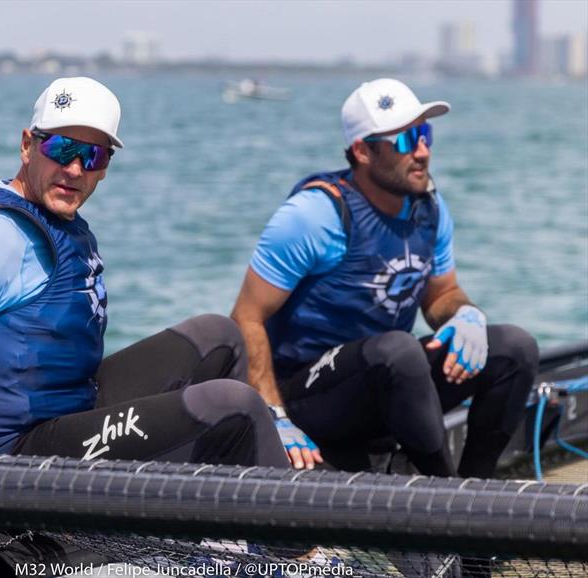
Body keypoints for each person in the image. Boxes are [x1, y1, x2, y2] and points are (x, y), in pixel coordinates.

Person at [0, 76, 287, 469]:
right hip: (14, 458)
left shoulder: (54, 219)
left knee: (219, 338)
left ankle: (222, 523)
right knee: (234, 405)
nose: (75, 169)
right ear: (27, 145)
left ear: (105, 166)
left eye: (93, 155)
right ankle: (292, 540)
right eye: (61, 148)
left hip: (67, 416)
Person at [231, 78, 539, 476]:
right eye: (408, 140)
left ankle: (476, 488)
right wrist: (274, 415)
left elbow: (442, 293)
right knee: (399, 351)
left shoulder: (429, 207)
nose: (423, 152)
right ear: (363, 151)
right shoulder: (314, 215)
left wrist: (466, 316)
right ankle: (444, 501)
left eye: (425, 134)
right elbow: (246, 318)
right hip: (307, 394)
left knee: (514, 347)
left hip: (389, 379)